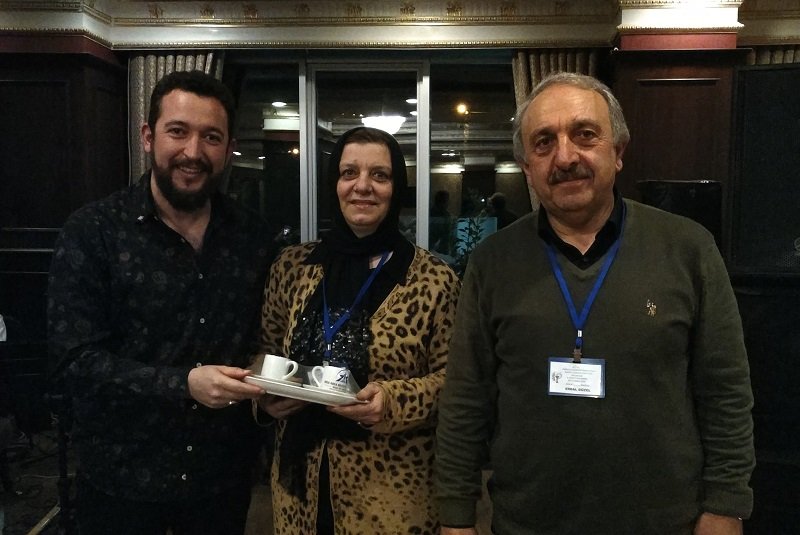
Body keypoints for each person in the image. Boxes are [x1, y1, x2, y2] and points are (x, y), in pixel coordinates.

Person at [434, 72, 754, 535]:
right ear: (526, 167)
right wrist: (456, 515)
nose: (565, 157)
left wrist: (726, 504)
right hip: (528, 523)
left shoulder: (688, 248)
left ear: (618, 151)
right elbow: (466, 398)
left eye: (584, 134)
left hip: (665, 522)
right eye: (544, 142)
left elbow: (725, 391)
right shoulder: (492, 262)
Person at [47, 70, 277, 535]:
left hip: (221, 481)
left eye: (211, 137)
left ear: (229, 148)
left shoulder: (253, 236)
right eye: (178, 131)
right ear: (148, 137)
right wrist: (183, 384)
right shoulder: (94, 232)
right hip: (121, 482)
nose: (193, 151)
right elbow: (73, 362)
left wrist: (266, 369)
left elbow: (263, 335)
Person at [257, 126, 460, 534]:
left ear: (396, 188)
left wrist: (393, 402)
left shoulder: (434, 280)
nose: (362, 186)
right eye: (349, 172)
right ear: (334, 184)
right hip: (300, 488)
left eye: (379, 175)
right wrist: (266, 396)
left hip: (391, 497)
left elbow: (457, 382)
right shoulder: (292, 266)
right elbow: (264, 348)